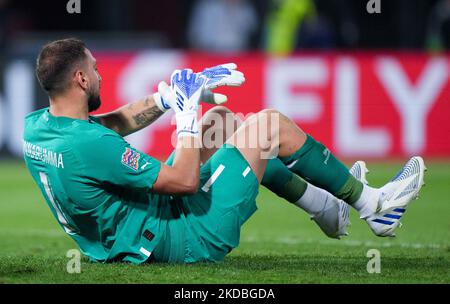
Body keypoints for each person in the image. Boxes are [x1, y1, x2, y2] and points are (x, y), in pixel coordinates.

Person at [23, 38, 426, 264]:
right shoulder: (90, 147)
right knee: (270, 124)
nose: (99, 73)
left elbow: (113, 123)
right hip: (176, 238)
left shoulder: (39, 127)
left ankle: (326, 207)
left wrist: (168, 98)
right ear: (79, 78)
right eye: (94, 68)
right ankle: (374, 205)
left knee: (221, 122)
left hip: (125, 234)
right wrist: (184, 117)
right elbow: (182, 181)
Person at [187, 0, 258, 53]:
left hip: (237, 56)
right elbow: (195, 35)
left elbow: (252, 29)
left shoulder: (245, 5)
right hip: (209, 55)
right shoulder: (207, 3)